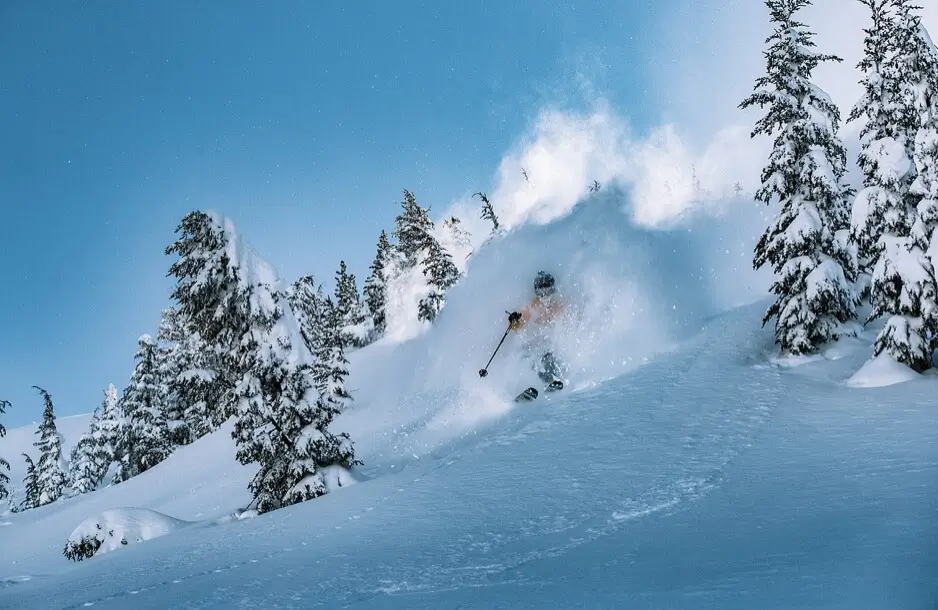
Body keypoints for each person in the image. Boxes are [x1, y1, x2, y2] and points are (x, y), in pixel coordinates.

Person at [507, 271, 566, 390]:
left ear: (553, 289)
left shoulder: (559, 303)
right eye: (541, 292)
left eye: (548, 290)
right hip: (534, 344)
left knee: (549, 358)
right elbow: (519, 323)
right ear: (536, 292)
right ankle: (526, 386)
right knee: (528, 358)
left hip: (552, 344)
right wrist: (514, 320)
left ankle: (554, 380)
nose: (545, 296)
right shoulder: (533, 306)